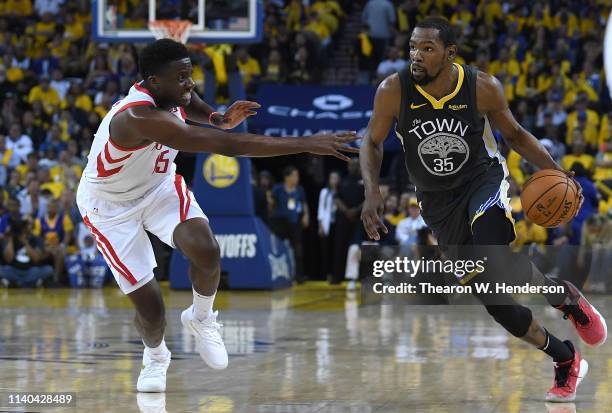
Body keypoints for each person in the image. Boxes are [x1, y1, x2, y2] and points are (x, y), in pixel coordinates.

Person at [76, 39, 358, 394]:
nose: (189, 84)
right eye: (181, 78)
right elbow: (228, 146)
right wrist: (305, 142)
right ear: (153, 81)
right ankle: (156, 356)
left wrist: (216, 117)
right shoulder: (138, 117)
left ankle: (202, 318)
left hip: (158, 187)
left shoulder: (169, 94)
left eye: (189, 75)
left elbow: (188, 103)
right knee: (152, 310)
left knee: (206, 249)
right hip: (110, 208)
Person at [359, 17, 606, 403]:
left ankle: (565, 300)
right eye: (412, 47)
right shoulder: (393, 90)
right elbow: (371, 143)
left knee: (490, 257)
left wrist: (556, 173)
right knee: (498, 304)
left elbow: (516, 136)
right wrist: (371, 191)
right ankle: (565, 356)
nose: (416, 55)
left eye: (427, 48)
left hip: (483, 183)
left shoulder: (481, 86)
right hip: (437, 204)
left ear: (450, 53)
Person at [270, 166, 309, 283]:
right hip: (280, 223)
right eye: (295, 175)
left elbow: (304, 204)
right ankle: (279, 275)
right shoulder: (278, 188)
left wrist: (306, 216)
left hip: (295, 223)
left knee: (298, 249)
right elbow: (271, 203)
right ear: (287, 177)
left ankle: (299, 276)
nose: (297, 178)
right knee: (278, 249)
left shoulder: (299, 190)